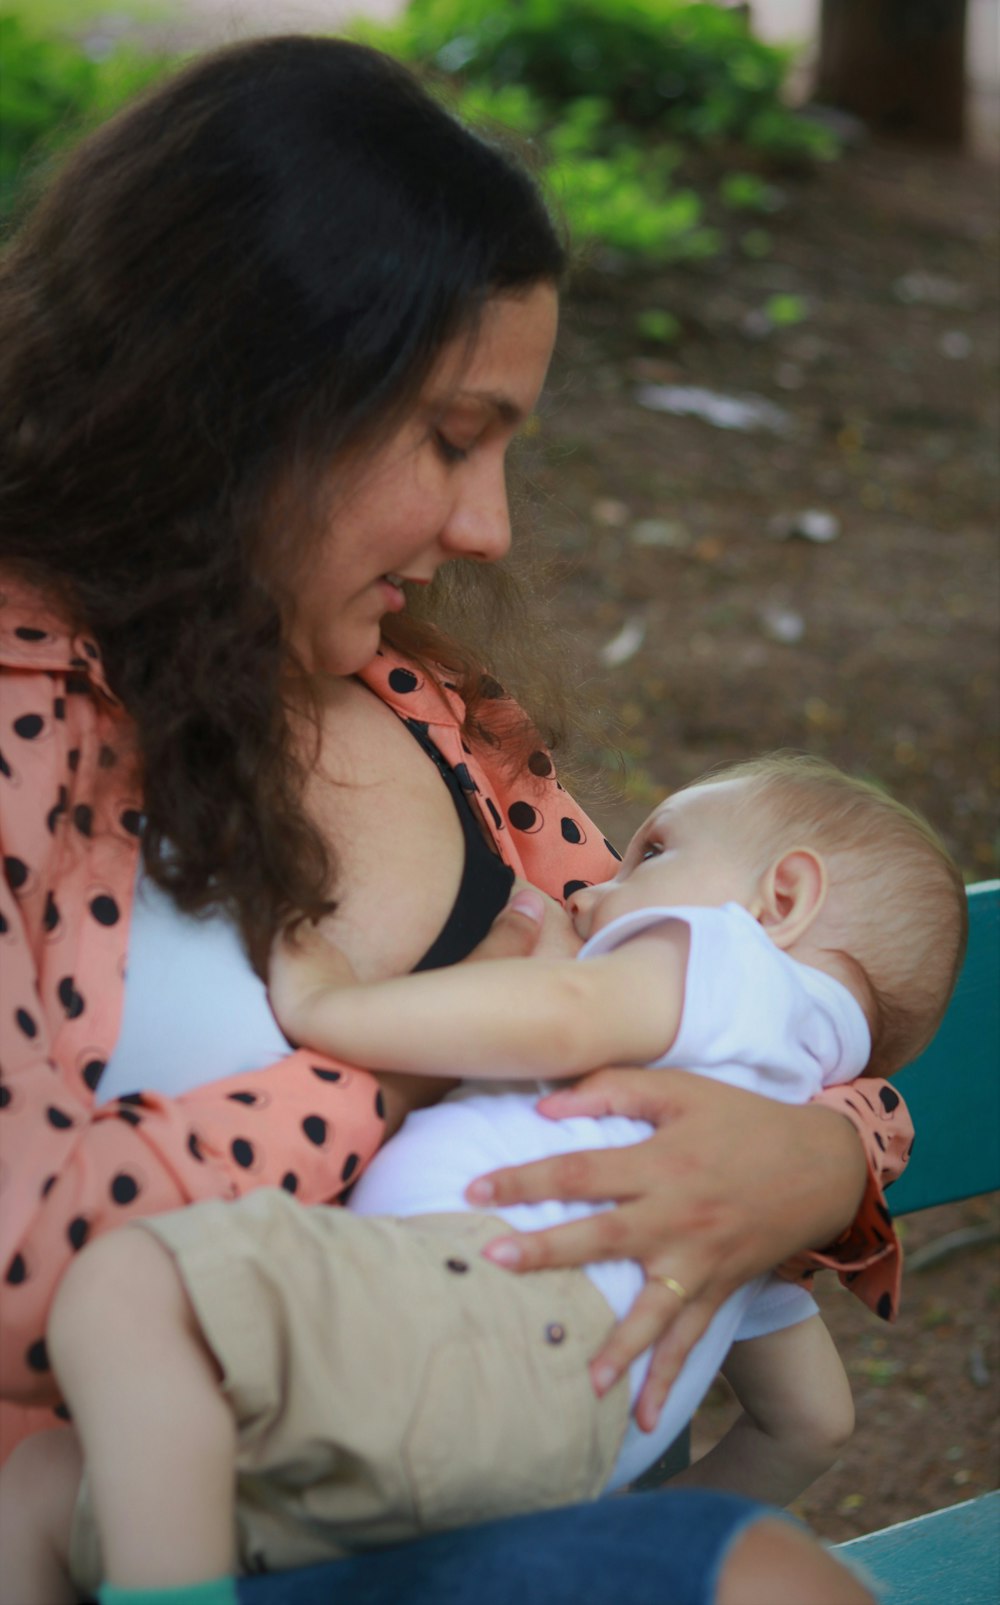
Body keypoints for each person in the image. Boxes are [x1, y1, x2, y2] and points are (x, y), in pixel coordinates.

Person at [0, 32, 911, 1605]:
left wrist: (817, 1162)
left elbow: (723, 983)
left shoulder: (434, 713)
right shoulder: (27, 722)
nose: (487, 526)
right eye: (449, 436)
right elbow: (34, 1259)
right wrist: (408, 1050)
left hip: (452, 1494)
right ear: (236, 395)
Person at [13, 754, 963, 1605]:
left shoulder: (732, 964)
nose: (596, 889)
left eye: (651, 854)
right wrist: (621, 1511)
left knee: (129, 1288)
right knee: (47, 1488)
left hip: (478, 1321)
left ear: (782, 898)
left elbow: (561, 1014)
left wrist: (332, 1002)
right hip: (519, 1446)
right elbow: (813, 1421)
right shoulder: (746, 1131)